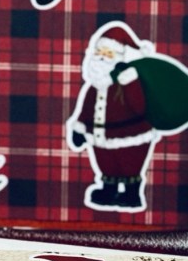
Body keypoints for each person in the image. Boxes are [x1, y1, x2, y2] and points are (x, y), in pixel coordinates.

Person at [67, 23, 158, 212]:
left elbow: (139, 107)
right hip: (101, 136)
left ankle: (132, 194)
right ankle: (109, 191)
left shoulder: (128, 83)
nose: (102, 57)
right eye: (99, 52)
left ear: (120, 58)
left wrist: (130, 82)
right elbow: (86, 109)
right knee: (106, 163)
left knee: (129, 164)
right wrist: (79, 128)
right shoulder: (94, 87)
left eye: (108, 54)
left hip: (131, 136)